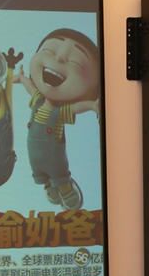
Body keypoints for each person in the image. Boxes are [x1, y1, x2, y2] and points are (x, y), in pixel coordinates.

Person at [14, 29, 100, 210]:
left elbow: (76, 108)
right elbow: (31, 88)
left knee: (58, 172)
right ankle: (48, 185)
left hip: (54, 157)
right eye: (49, 50)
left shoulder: (60, 112)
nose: (60, 58)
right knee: (40, 173)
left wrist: (92, 105)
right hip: (34, 154)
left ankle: (65, 188)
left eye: (76, 63)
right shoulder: (37, 100)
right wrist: (22, 78)